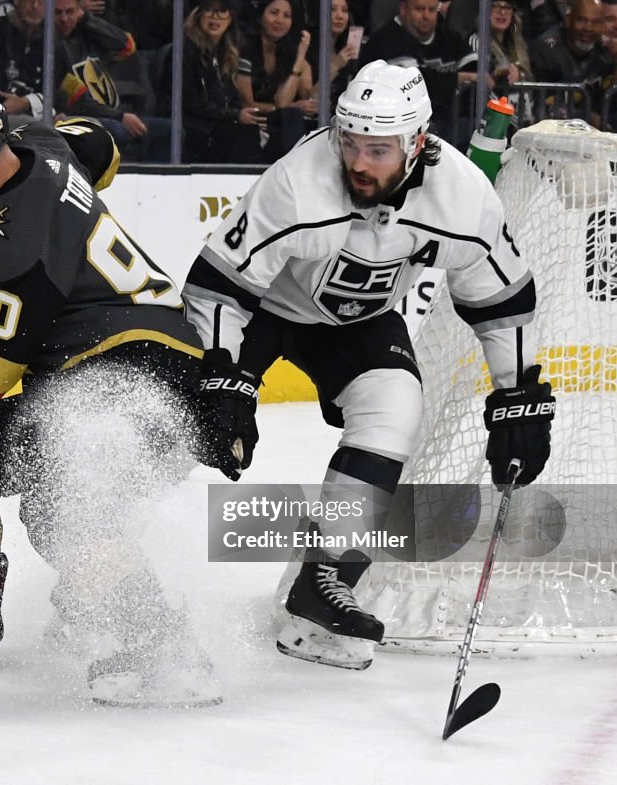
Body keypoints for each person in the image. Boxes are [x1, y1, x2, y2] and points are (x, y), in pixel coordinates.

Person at [182, 61, 554, 669]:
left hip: (358, 321)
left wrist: (519, 397)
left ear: (418, 144)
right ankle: (107, 557)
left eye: (377, 149)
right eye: (349, 142)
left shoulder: (463, 198)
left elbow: (503, 302)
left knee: (394, 409)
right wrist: (225, 378)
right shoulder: (297, 184)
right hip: (266, 310)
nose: (358, 161)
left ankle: (321, 583)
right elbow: (218, 289)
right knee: (196, 428)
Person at [0, 88, 219, 706]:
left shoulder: (13, 240)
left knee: (60, 498)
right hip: (165, 378)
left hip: (118, 378)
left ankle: (162, 643)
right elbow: (105, 145)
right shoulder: (43, 141)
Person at [53, 0, 171, 162]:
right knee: (116, 131)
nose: (64, 19)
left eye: (70, 12)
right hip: (87, 115)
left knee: (170, 130)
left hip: (114, 112)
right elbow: (79, 101)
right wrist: (120, 116)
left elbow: (125, 44)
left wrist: (87, 19)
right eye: (57, 13)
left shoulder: (90, 35)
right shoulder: (51, 47)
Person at [359, 0, 480, 147]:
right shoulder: (384, 41)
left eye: (432, 10)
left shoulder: (447, 35)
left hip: (447, 125)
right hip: (399, 130)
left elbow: (474, 66)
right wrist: (459, 79)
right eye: (420, 9)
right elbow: (414, 83)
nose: (426, 16)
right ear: (403, 9)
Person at [159, 0, 263, 163]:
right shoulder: (184, 50)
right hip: (190, 121)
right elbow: (190, 102)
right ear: (198, 15)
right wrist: (235, 115)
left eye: (222, 11)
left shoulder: (227, 54)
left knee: (256, 129)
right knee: (238, 134)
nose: (215, 17)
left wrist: (238, 113)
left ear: (230, 18)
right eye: (208, 10)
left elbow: (230, 98)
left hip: (216, 120)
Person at [236, 0, 318, 162]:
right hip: (249, 121)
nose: (279, 20)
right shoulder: (245, 49)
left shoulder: (289, 52)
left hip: (277, 122)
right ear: (261, 15)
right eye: (274, 13)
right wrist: (288, 107)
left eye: (286, 16)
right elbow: (249, 104)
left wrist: (300, 57)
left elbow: (286, 100)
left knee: (294, 118)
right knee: (291, 115)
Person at [529, 0, 615, 128]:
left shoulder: (607, 53)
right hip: (551, 132)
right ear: (568, 20)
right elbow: (543, 106)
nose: (588, 28)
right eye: (581, 20)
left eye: (595, 22)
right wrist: (589, 118)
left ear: (603, 25)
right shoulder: (545, 50)